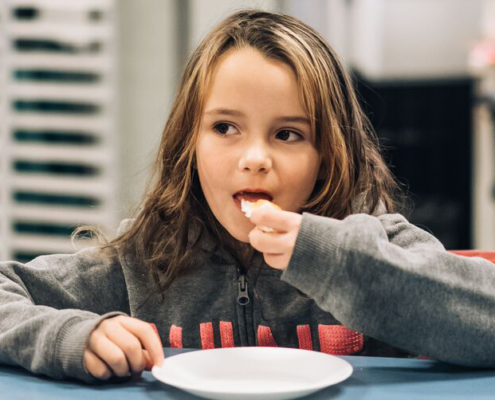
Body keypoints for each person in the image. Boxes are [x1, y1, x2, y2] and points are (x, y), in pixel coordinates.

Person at [1, 9, 495, 383]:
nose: (255, 157)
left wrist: (344, 264)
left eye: (287, 134)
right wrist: (72, 337)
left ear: (329, 153)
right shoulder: (146, 258)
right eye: (225, 127)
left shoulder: (374, 245)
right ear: (188, 145)